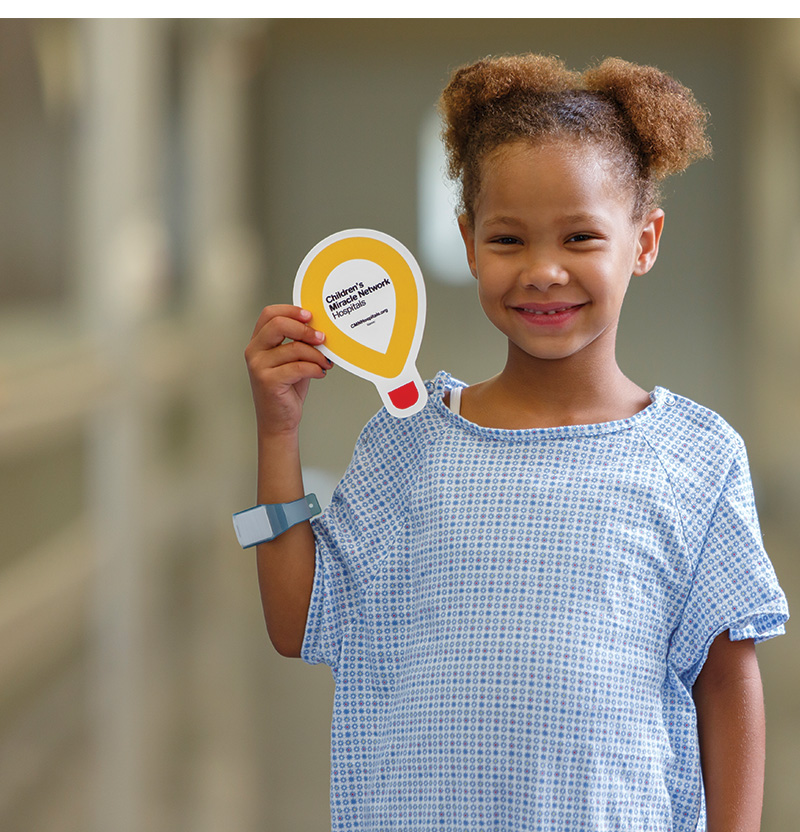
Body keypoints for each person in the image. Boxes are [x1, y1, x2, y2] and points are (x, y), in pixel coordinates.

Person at [243, 54, 789, 831]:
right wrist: (278, 432)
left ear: (644, 240)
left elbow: (729, 687)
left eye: (578, 237)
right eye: (507, 239)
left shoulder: (697, 458)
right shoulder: (410, 446)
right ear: (467, 242)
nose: (542, 271)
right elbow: (298, 622)